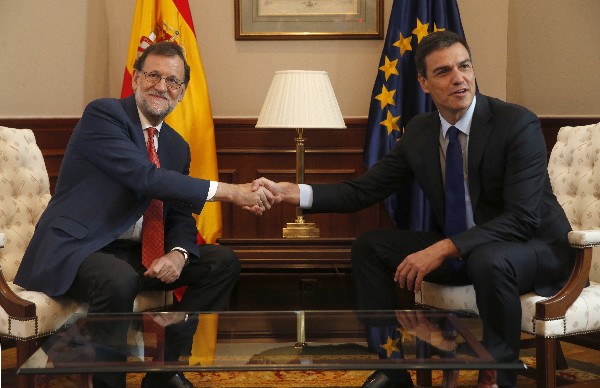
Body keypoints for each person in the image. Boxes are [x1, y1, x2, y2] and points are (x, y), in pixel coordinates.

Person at [254, 31, 574, 388]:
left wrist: (443, 247)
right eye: (443, 72)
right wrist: (292, 193)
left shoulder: (516, 123)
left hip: (535, 250)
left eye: (464, 66)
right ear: (423, 82)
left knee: (489, 259)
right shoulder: (422, 131)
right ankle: (391, 370)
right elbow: (364, 190)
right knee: (371, 247)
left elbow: (521, 219)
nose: (459, 78)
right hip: (469, 250)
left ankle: (498, 374)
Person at [14, 41, 274, 388]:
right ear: (136, 78)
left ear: (181, 92)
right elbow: (145, 177)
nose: (161, 86)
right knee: (117, 278)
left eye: (172, 81)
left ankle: (165, 373)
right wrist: (231, 192)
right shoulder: (104, 115)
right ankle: (110, 383)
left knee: (221, 262)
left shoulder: (177, 146)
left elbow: (180, 213)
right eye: (153, 75)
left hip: (137, 255)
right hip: (81, 248)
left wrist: (179, 254)